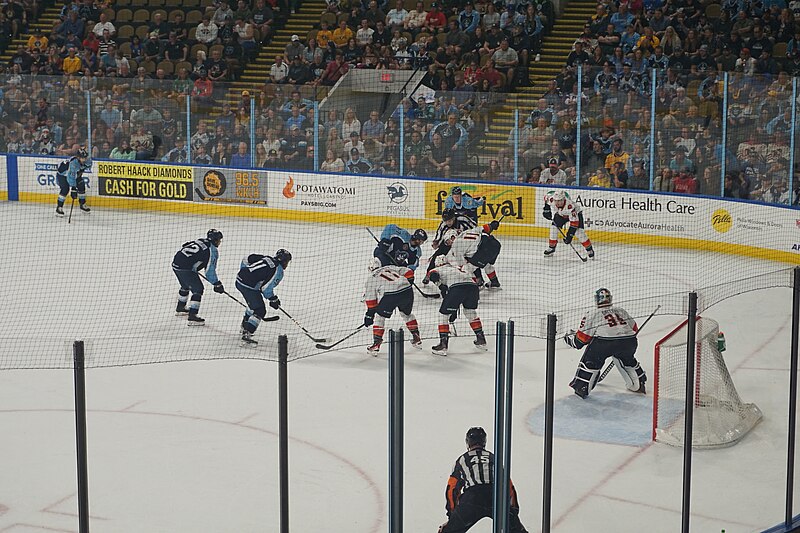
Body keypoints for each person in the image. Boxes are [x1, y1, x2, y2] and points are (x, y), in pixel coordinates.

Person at [437, 427, 528, 532]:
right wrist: (513, 515)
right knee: (518, 531)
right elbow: (508, 487)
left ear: (468, 443)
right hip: (495, 496)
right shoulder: (493, 457)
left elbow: (451, 489)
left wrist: (452, 518)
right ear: (484, 442)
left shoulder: (462, 459)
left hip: (472, 498)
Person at [564, 288, 647, 399]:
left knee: (591, 361)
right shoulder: (620, 310)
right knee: (627, 358)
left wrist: (569, 339)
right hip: (629, 341)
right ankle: (639, 383)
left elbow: (581, 340)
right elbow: (634, 328)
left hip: (605, 344)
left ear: (597, 300)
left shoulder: (592, 314)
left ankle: (582, 387)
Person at [427, 256, 486, 356]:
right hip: (472, 287)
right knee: (470, 312)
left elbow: (433, 276)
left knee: (443, 315)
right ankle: (481, 339)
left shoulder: (435, 269)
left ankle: (443, 345)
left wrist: (440, 285)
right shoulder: (457, 268)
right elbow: (473, 278)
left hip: (457, 288)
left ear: (437, 264)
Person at [363, 257, 422, 354]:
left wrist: (369, 315)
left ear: (370, 269)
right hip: (407, 291)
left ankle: (376, 344)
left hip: (391, 295)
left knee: (379, 316)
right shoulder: (389, 267)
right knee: (406, 314)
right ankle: (416, 337)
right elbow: (409, 272)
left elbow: (371, 301)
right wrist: (407, 283)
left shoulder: (371, 279)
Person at [235, 249, 292, 345]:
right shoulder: (279, 270)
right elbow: (266, 289)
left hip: (239, 280)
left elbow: (246, 259)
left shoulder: (266, 258)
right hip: (249, 287)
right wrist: (273, 299)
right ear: (284, 261)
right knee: (260, 310)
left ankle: (245, 327)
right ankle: (247, 334)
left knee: (253, 303)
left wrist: (244, 272)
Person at [171, 229, 225, 326]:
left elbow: (185, 246)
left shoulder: (200, 240)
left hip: (175, 264)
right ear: (215, 240)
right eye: (219, 240)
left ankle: (180, 308)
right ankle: (192, 316)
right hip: (186, 268)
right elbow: (209, 271)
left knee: (185, 285)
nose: (220, 242)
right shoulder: (212, 250)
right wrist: (217, 284)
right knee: (198, 289)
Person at [446, 219, 502, 289]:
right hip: (494, 245)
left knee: (466, 269)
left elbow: (461, 263)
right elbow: (483, 228)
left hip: (484, 251)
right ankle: (494, 282)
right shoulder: (466, 232)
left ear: (452, 237)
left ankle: (476, 286)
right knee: (486, 264)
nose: (448, 243)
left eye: (447, 241)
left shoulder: (456, 245)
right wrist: (492, 225)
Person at [425, 208, 476, 283]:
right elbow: (440, 232)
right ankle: (428, 274)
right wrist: (436, 241)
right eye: (445, 221)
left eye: (449, 221)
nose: (447, 223)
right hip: (450, 240)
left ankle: (478, 278)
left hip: (464, 242)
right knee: (437, 255)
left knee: (470, 257)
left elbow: (475, 227)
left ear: (454, 218)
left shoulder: (463, 219)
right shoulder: (444, 223)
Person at [542, 190, 594, 259]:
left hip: (576, 215)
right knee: (553, 228)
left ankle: (589, 250)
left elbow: (574, 223)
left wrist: (569, 236)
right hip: (561, 214)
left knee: (579, 232)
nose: (557, 203)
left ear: (563, 199)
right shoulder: (551, 199)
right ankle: (551, 248)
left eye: (559, 200)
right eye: (556, 200)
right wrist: (546, 209)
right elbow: (546, 197)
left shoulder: (570, 206)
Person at [55, 147, 92, 216]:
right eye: (82, 158)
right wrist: (74, 188)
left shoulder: (88, 161)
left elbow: (85, 167)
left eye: (85, 157)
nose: (84, 159)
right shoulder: (73, 164)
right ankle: (59, 207)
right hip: (62, 175)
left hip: (75, 174)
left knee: (81, 185)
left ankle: (82, 205)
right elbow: (70, 177)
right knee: (65, 189)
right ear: (78, 157)